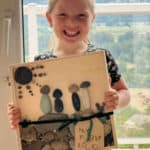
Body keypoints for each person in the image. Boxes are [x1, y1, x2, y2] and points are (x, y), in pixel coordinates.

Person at [7, 0, 130, 148]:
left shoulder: (102, 57)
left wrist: (117, 99)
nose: (71, 22)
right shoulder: (40, 63)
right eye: (63, 14)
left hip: (94, 142)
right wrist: (19, 115)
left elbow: (124, 92)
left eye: (81, 16)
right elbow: (32, 111)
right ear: (49, 18)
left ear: (92, 19)